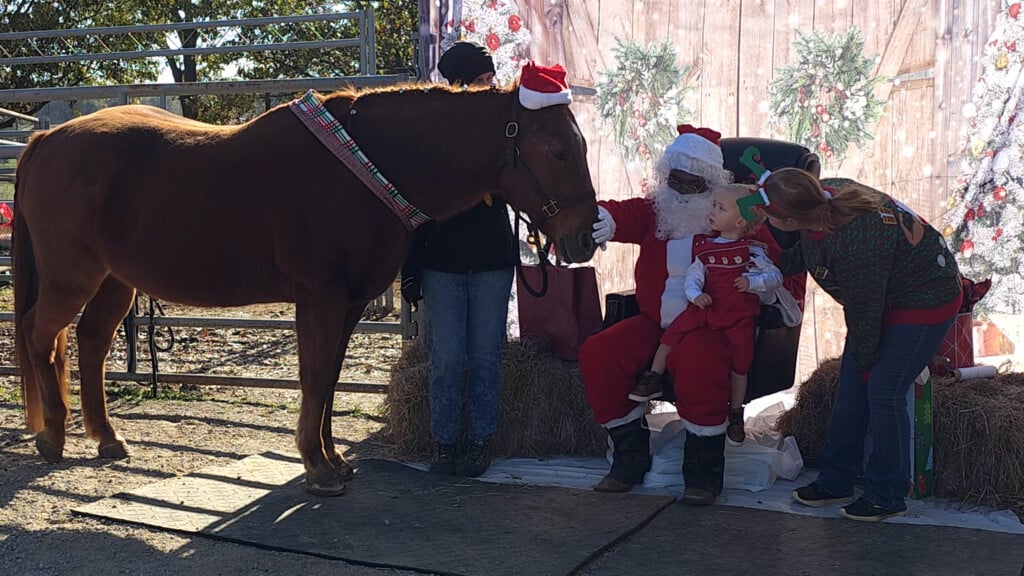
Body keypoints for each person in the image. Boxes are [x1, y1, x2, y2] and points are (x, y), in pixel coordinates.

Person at [581, 125, 786, 505]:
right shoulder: (657, 208)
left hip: (707, 323)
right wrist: (602, 218)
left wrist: (754, 271)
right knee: (600, 353)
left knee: (698, 360)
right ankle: (629, 458)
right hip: (653, 320)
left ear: (709, 183)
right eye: (675, 180)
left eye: (692, 183)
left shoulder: (729, 212)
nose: (681, 190)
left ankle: (703, 474)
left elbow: (769, 251)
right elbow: (624, 213)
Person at [754, 168, 962, 521]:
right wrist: (768, 256)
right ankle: (836, 480)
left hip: (924, 297)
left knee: (883, 391)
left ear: (789, 218)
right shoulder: (821, 200)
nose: (761, 217)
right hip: (883, 296)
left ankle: (887, 494)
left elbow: (865, 313)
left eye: (767, 214)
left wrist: (865, 361)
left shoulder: (858, 239)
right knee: (851, 390)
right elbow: (809, 251)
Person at [400, 41, 516, 478]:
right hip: (442, 262)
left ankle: (481, 440)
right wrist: (410, 270)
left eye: (492, 79)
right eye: (483, 80)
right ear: (461, 83)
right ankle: (445, 442)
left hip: (491, 259)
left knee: (486, 356)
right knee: (446, 359)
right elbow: (416, 210)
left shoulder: (505, 130)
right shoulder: (431, 137)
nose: (492, 87)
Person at [628, 183, 785, 447]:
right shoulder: (706, 247)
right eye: (713, 205)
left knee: (741, 362)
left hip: (737, 314)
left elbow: (774, 277)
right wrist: (694, 294)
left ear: (739, 220)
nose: (712, 211)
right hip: (707, 307)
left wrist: (753, 282)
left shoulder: (752, 252)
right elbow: (694, 276)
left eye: (720, 207)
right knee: (672, 334)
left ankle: (735, 412)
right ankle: (653, 377)